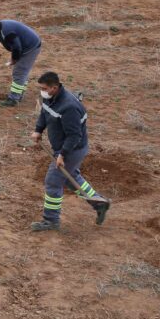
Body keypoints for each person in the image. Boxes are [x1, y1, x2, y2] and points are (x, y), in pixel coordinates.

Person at [30, 72, 110, 232]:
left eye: (44, 88)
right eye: (41, 88)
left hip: (73, 149)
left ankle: (51, 220)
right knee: (71, 177)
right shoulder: (50, 98)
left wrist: (62, 155)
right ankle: (99, 203)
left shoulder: (69, 107)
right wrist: (39, 130)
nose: (42, 91)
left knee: (53, 181)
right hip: (64, 147)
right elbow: (44, 113)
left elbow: (74, 136)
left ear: (54, 87)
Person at [0, 19, 42, 107]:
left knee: (19, 71)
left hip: (30, 47)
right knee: (22, 72)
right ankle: (19, 94)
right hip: (24, 46)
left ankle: (13, 99)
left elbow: (17, 48)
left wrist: (14, 60)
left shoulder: (7, 33)